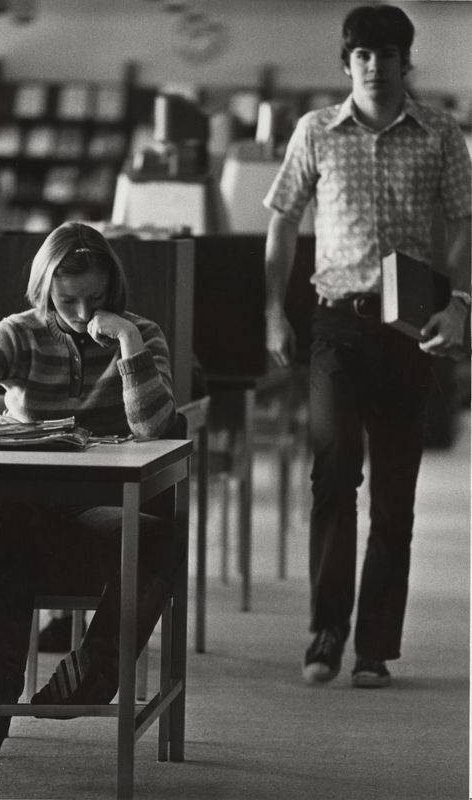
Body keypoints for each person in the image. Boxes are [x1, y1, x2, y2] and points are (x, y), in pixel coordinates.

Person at [263, 4, 471, 688]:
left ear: (403, 60)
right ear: (346, 63)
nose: (375, 67)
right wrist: (273, 310)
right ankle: (325, 634)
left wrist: (459, 303)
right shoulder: (315, 131)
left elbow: (467, 225)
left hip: (412, 326)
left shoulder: (441, 133)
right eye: (362, 56)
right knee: (332, 472)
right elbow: (283, 221)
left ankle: (373, 648)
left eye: (386, 55)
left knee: (394, 490)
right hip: (336, 323)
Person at [0, 221, 185, 755]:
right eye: (67, 299)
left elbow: (153, 427)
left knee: (162, 539)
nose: (80, 314)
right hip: (25, 522)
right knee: (14, 520)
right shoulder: (18, 333)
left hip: (98, 518)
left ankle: (91, 676)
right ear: (46, 288)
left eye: (94, 298)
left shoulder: (141, 334)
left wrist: (126, 341)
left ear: (112, 291)